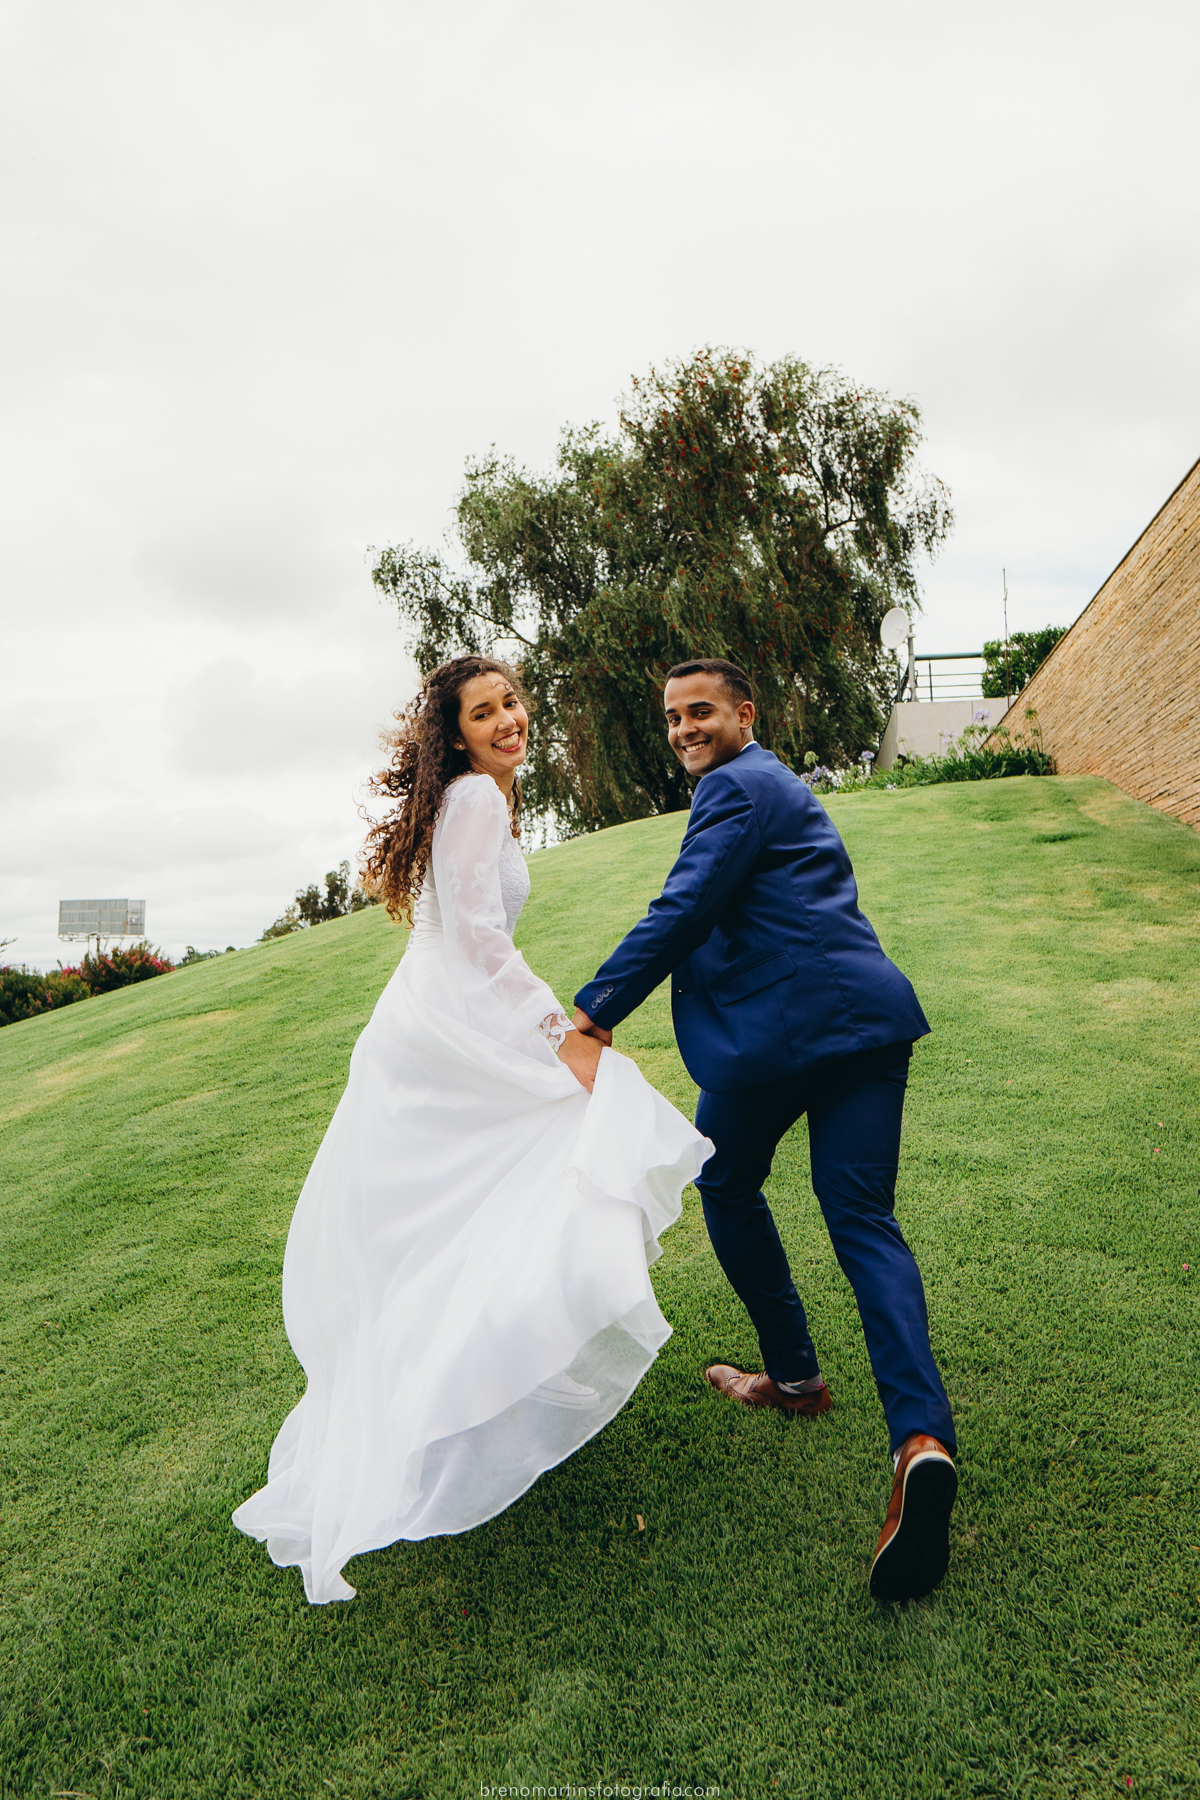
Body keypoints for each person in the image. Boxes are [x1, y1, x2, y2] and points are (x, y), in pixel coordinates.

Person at [232, 656, 710, 1603]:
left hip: (435, 1021)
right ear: (455, 734)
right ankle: (501, 1362)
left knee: (466, 1216)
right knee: (585, 1121)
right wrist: (560, 1037)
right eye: (483, 712)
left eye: (513, 704)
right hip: (448, 1028)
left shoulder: (472, 797)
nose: (506, 722)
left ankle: (496, 1365)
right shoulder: (477, 801)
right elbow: (482, 940)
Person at [572, 658, 958, 1602]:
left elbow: (686, 905)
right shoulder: (775, 780)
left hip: (789, 1036)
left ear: (746, 713)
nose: (682, 730)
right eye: (670, 718)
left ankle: (794, 1379)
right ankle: (920, 1438)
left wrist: (594, 1012)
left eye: (699, 711)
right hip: (864, 1024)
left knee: (731, 1182)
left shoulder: (735, 787)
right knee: (860, 1219)